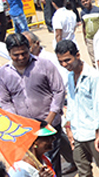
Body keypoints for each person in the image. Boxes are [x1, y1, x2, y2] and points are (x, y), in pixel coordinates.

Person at [0, 33, 65, 176]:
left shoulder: (44, 65)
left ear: (29, 48)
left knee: (51, 163)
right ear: (9, 53)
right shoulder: (4, 73)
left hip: (49, 128)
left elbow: (59, 91)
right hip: (23, 133)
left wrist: (47, 122)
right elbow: (4, 102)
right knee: (28, 166)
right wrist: (21, 125)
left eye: (24, 53)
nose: (21, 57)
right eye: (16, 55)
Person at [55, 40, 99, 177]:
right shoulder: (70, 76)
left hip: (94, 134)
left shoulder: (94, 77)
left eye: (67, 60)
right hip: (78, 134)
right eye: (61, 61)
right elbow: (72, 105)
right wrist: (69, 128)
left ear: (77, 55)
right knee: (83, 171)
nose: (64, 65)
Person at [79, 0, 99, 66]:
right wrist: (85, 38)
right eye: (83, 2)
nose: (85, 3)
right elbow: (84, 26)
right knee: (93, 59)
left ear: (90, 0)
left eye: (86, 0)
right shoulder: (83, 13)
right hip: (90, 39)